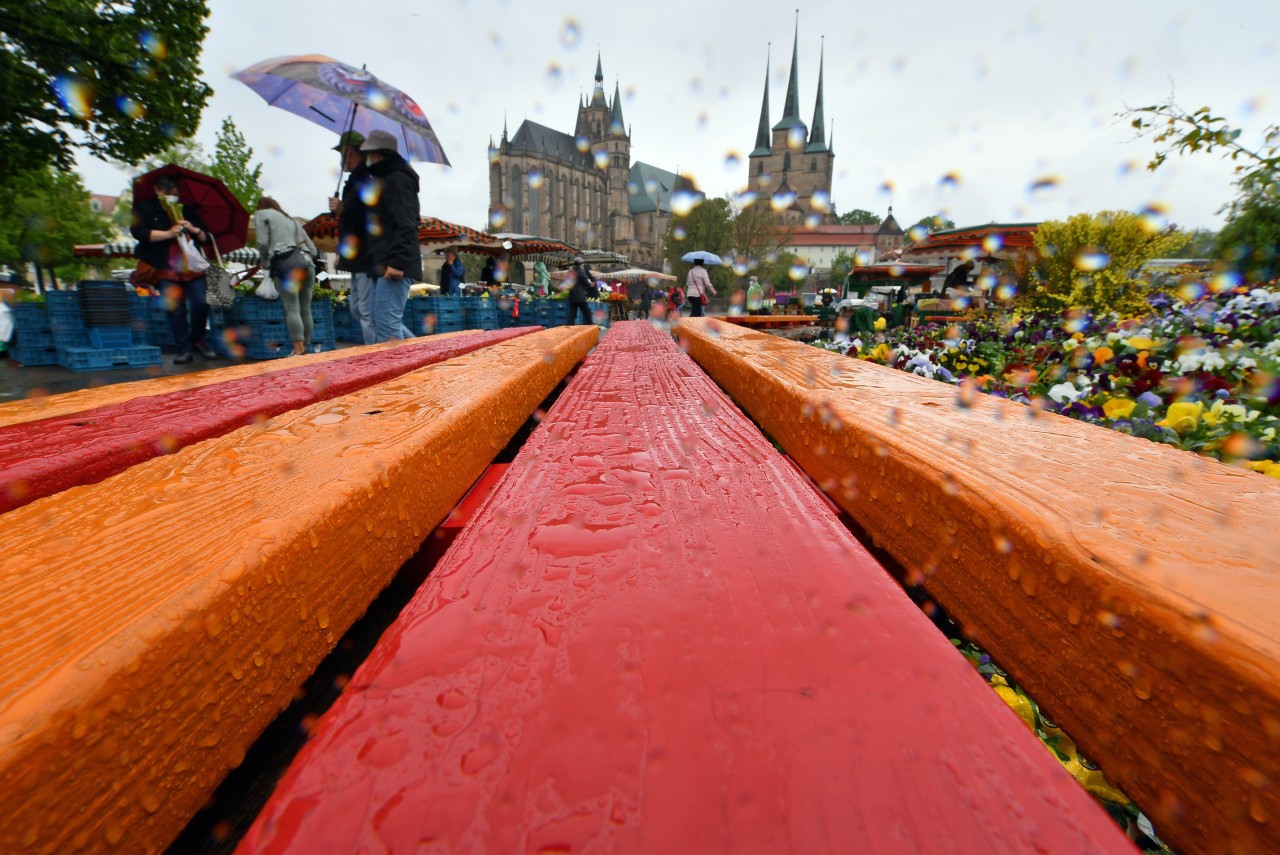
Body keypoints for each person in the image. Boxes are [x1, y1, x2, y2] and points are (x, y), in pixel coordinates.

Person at [130, 174, 216, 364]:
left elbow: (207, 237)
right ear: (157, 191)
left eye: (175, 193)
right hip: (165, 268)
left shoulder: (186, 210)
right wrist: (168, 233)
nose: (171, 197)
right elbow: (139, 233)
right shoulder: (145, 208)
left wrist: (193, 229)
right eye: (167, 193)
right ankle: (184, 348)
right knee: (175, 309)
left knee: (201, 303)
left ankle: (197, 338)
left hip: (192, 267)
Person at [360, 130, 422, 342]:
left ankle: (407, 371)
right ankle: (422, 355)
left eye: (368, 153)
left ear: (378, 154)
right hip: (389, 261)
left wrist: (397, 262)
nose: (366, 158)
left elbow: (406, 224)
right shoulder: (388, 178)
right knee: (384, 322)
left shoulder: (398, 179)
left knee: (387, 323)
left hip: (397, 263)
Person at [328, 130, 376, 345]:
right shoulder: (353, 180)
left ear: (354, 154)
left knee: (366, 313)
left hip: (367, 254)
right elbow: (349, 224)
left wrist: (343, 209)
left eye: (344, 154)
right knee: (357, 309)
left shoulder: (367, 179)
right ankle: (407, 347)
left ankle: (380, 360)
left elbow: (369, 217)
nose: (342, 159)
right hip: (358, 256)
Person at [254, 197, 319, 356]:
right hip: (307, 264)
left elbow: (262, 243)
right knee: (305, 309)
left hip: (286, 264)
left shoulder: (261, 214)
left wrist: (265, 261)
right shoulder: (293, 221)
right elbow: (314, 250)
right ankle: (305, 347)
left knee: (292, 308)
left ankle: (298, 350)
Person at [567, 256, 596, 325]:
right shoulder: (581, 271)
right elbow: (585, 281)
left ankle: (570, 326)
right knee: (586, 311)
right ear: (580, 264)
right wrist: (590, 284)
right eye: (582, 263)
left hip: (572, 295)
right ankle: (590, 324)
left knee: (572, 313)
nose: (583, 264)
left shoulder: (571, 271)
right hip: (580, 295)